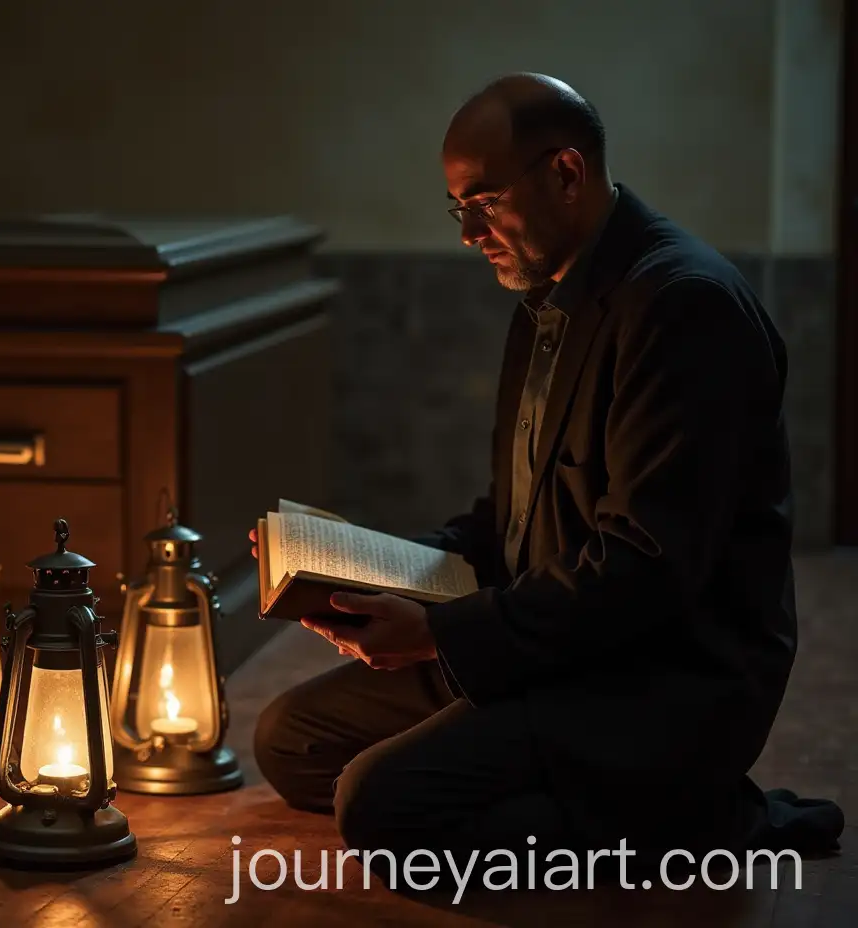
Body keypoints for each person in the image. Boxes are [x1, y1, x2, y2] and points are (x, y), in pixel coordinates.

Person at [249, 72, 842, 889]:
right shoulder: (550, 296)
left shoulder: (684, 307)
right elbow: (511, 521)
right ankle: (570, 791)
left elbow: (646, 567)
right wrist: (359, 566)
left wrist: (437, 636)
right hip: (559, 647)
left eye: (483, 203)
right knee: (291, 739)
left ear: (566, 172)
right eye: (457, 209)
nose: (468, 233)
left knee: (380, 803)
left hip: (658, 682)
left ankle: (698, 818)